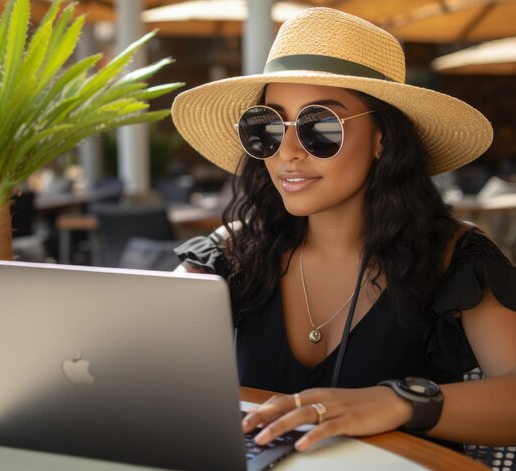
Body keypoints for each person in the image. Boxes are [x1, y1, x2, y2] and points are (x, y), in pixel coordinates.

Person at [170, 7, 516, 455]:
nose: (288, 151)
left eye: (320, 126)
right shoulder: (233, 252)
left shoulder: (455, 259)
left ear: (382, 139)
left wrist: (396, 402)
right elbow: (122, 357)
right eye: (269, 127)